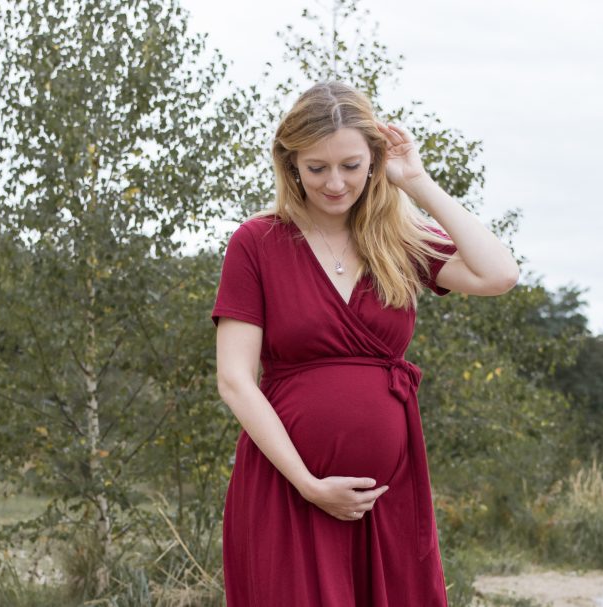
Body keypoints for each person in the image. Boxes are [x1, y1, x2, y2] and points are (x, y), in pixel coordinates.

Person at [210, 81, 518, 606]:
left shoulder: (399, 238)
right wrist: (309, 484)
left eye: (351, 165)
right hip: (288, 489)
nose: (335, 183)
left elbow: (500, 274)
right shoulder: (257, 242)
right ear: (291, 164)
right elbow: (234, 380)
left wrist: (417, 182)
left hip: (387, 499)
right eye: (317, 168)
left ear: (374, 160)